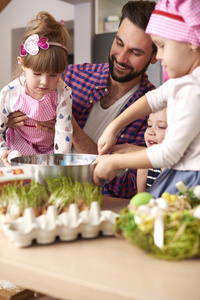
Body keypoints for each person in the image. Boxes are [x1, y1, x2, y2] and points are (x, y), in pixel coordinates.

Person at [7, 1, 157, 198]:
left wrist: (73, 130)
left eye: (135, 52)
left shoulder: (154, 113)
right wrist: (11, 122)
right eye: (119, 43)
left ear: (155, 55)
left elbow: (127, 185)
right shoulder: (69, 76)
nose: (121, 57)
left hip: (96, 208)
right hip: (38, 193)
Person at [94, 0, 200, 198]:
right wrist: (113, 127)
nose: (157, 56)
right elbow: (153, 99)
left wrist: (115, 163)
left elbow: (169, 153)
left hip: (190, 181)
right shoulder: (186, 81)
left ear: (192, 43)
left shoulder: (193, 88)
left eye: (161, 46)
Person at [0, 11, 73, 167]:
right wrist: (2, 151)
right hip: (19, 148)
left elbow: (64, 133)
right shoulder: (10, 93)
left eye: (54, 75)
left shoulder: (63, 93)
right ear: (23, 64)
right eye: (37, 73)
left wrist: (60, 166)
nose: (44, 82)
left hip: (50, 151)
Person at [137, 109, 167, 193]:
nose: (151, 132)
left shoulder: (184, 167)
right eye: (149, 125)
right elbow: (140, 202)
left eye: (161, 127)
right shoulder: (144, 166)